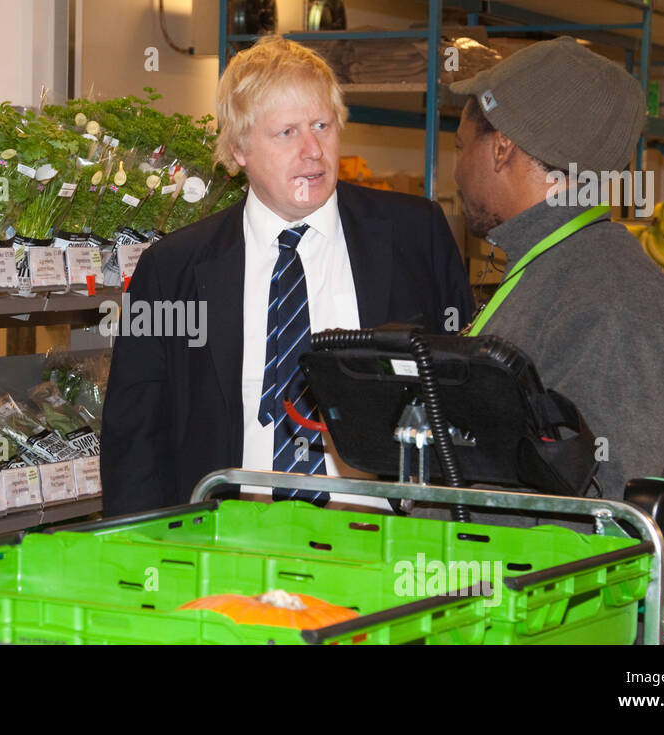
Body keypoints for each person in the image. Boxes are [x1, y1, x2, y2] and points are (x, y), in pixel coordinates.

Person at [100, 36, 474, 517]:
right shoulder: (170, 271)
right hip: (228, 546)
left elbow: (462, 399)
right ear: (238, 149)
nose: (313, 150)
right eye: (287, 133)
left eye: (323, 125)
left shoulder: (415, 236)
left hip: (385, 544)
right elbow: (134, 439)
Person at [448, 36, 664, 502]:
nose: (457, 171)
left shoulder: (614, 307)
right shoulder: (555, 268)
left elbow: (593, 518)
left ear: (502, 148)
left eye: (462, 146)